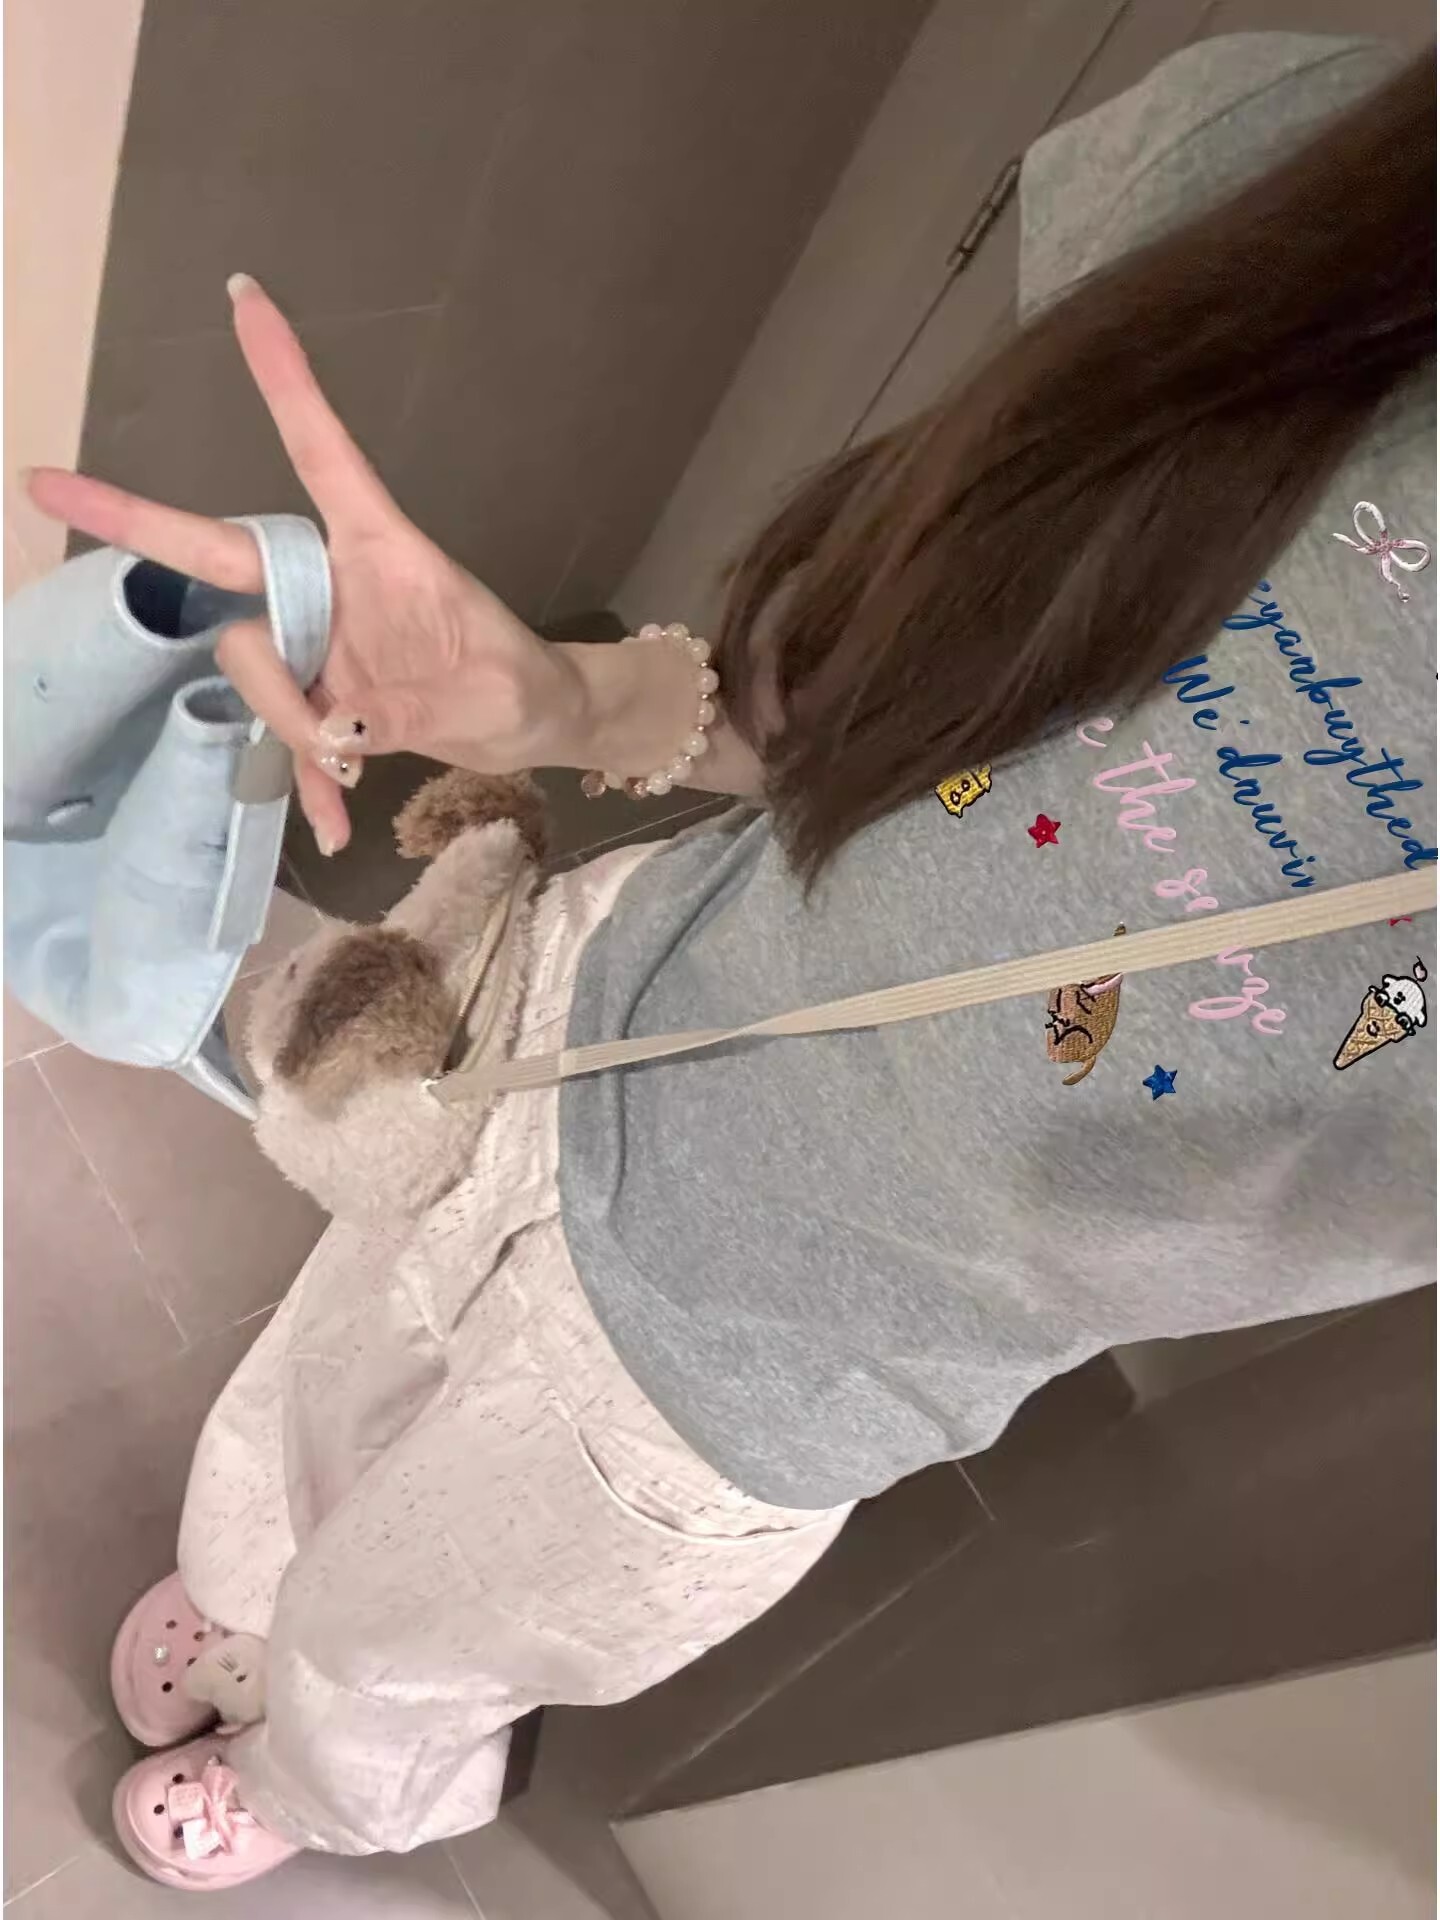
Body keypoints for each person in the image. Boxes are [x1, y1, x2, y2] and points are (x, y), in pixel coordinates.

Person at [27, 30, 1435, 1890]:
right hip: (578, 1030)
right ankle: (243, 1603)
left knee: (395, 1650)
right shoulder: (1347, 213)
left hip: (762, 1366)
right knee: (305, 1404)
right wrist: (573, 701)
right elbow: (894, 708)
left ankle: (309, 1789)